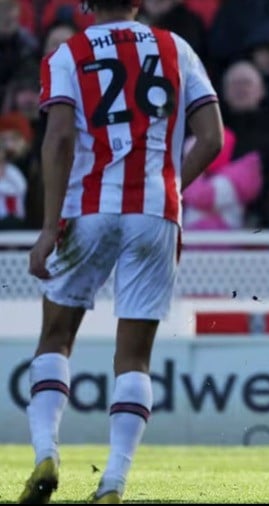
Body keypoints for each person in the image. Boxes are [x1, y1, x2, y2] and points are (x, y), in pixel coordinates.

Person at [20, 0, 223, 503]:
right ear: (140, 2)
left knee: (55, 337)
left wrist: (49, 227)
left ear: (87, 3)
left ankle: (46, 451)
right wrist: (170, 187)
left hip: (86, 209)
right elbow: (211, 138)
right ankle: (112, 482)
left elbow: (59, 138)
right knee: (134, 357)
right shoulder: (176, 48)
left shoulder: (69, 52)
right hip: (155, 212)